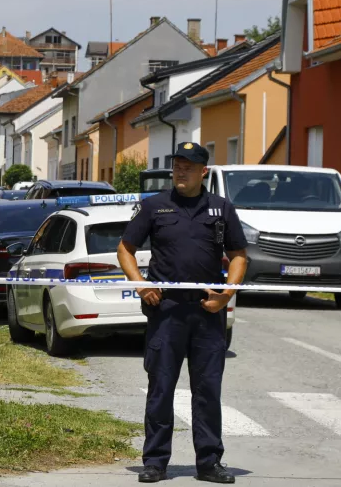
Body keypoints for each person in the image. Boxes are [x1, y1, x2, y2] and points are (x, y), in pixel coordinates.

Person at [117, 142, 248, 485]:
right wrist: (141, 285)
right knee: (161, 388)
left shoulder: (221, 208)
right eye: (177, 165)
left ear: (204, 171)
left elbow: (238, 256)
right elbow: (125, 249)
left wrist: (226, 295)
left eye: (188, 166)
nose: (181, 171)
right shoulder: (154, 206)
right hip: (167, 311)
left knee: (207, 391)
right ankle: (155, 462)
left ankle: (209, 462)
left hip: (208, 312)